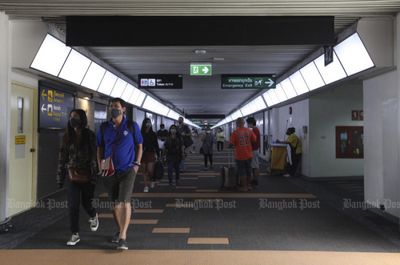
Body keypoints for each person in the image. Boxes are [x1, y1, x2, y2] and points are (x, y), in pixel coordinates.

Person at [96, 98, 143, 250]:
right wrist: (100, 164)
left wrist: (137, 164)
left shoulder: (131, 126)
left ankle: (123, 236)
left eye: (116, 106)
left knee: (125, 201)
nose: (113, 109)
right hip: (109, 170)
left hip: (128, 169)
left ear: (123, 109)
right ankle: (119, 229)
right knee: (115, 203)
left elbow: (139, 145)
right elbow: (100, 148)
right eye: (111, 106)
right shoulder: (104, 127)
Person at [57, 109, 99, 246]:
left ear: (82, 119)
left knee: (86, 203)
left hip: (87, 174)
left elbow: (94, 156)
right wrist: (60, 177)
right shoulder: (66, 136)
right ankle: (75, 233)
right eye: (70, 117)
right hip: (72, 174)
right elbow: (62, 158)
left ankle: (93, 215)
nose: (72, 119)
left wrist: (95, 175)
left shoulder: (90, 135)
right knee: (73, 205)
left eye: (75, 116)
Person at [230, 117, 256, 192]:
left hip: (240, 155)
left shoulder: (235, 132)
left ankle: (244, 187)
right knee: (249, 171)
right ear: (244, 123)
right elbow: (254, 140)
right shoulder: (249, 131)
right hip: (249, 154)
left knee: (242, 171)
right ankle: (249, 186)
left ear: (237, 124)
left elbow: (232, 143)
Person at [141, 118, 160, 192]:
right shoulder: (140, 133)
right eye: (146, 122)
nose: (148, 124)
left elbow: (156, 145)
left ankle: (152, 179)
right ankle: (146, 186)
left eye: (149, 122)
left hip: (151, 153)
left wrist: (158, 155)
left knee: (150, 170)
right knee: (144, 171)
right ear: (144, 124)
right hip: (142, 154)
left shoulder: (153, 134)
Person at [246, 117, 261, 186]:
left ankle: (255, 180)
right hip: (255, 149)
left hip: (254, 150)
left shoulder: (254, 130)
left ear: (251, 123)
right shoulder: (255, 129)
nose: (247, 125)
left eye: (248, 124)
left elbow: (253, 140)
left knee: (255, 166)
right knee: (254, 166)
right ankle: (254, 179)